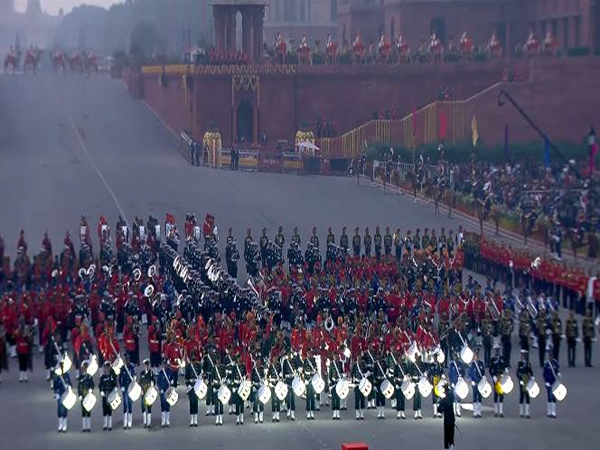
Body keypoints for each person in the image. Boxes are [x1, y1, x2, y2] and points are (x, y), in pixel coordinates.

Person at [53, 363, 72, 433]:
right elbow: (55, 387)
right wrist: (55, 394)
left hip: (65, 394)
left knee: (65, 410)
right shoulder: (58, 377)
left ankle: (64, 425)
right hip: (59, 395)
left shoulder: (67, 376)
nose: (62, 368)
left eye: (62, 367)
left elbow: (70, 384)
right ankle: (60, 425)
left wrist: (69, 387)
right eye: (61, 367)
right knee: (59, 409)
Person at [98, 361, 117, 431]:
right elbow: (100, 385)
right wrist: (101, 391)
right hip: (104, 394)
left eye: (108, 366)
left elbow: (114, 383)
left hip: (110, 394)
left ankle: (110, 424)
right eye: (106, 366)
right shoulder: (102, 377)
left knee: (110, 410)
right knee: (104, 409)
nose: (107, 368)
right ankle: (105, 424)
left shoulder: (112, 376)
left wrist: (115, 388)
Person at [185, 352, 202, 427]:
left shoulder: (198, 366)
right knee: (191, 402)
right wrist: (188, 385)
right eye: (192, 359)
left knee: (196, 402)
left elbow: (200, 375)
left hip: (197, 385)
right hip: (191, 386)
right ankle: (192, 420)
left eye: (194, 358)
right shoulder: (188, 367)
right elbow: (186, 378)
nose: (193, 360)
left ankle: (196, 420)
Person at [119, 353, 135, 429]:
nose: (127, 360)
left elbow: (134, 375)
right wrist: (121, 386)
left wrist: (134, 378)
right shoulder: (122, 368)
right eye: (126, 359)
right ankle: (125, 423)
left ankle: (130, 422)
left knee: (130, 404)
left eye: (128, 359)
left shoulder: (131, 367)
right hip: (125, 388)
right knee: (125, 405)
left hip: (130, 388)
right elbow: (119, 379)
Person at [78, 360, 95, 432]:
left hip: (88, 394)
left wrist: (91, 389)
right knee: (83, 411)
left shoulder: (90, 377)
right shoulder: (81, 377)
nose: (85, 368)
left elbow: (92, 384)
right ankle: (84, 427)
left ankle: (88, 426)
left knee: (88, 410)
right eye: (84, 366)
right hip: (83, 394)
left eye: (86, 366)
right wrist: (79, 395)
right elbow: (79, 386)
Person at [543, 351, 561, 418]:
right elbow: (544, 374)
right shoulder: (546, 364)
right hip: (548, 382)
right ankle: (549, 411)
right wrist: (546, 381)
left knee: (553, 396)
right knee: (549, 396)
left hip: (554, 382)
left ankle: (553, 412)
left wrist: (558, 374)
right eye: (550, 356)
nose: (551, 357)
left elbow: (557, 371)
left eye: (552, 356)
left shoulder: (555, 363)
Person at [490, 346, 506, 417]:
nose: (497, 351)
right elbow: (491, 369)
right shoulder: (493, 359)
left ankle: (501, 411)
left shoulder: (502, 358)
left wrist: (505, 371)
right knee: (496, 394)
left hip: (501, 377)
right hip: (495, 377)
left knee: (501, 393)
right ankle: (496, 411)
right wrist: (493, 375)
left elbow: (504, 366)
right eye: (496, 350)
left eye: (498, 350)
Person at [516, 350, 533, 418]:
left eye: (524, 355)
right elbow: (517, 372)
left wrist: (532, 378)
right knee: (522, 396)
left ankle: (527, 412)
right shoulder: (520, 363)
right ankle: (521, 412)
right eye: (522, 355)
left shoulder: (528, 363)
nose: (523, 356)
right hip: (521, 381)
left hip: (527, 380)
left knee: (527, 396)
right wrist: (520, 379)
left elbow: (530, 372)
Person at [469, 350, 485, 418]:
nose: (476, 356)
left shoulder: (481, 363)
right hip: (475, 383)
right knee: (475, 396)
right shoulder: (472, 364)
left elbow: (483, 372)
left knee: (480, 396)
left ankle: (479, 412)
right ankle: (475, 412)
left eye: (477, 355)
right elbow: (470, 373)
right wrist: (472, 380)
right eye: (475, 355)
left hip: (480, 382)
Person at [139, 359, 155, 428]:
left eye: (148, 364)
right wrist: (141, 390)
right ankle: (145, 422)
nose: (147, 366)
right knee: (143, 406)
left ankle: (149, 423)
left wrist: (153, 383)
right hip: (143, 390)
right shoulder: (142, 373)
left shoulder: (151, 372)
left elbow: (153, 380)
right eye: (146, 364)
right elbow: (140, 382)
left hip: (149, 391)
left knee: (149, 406)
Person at [157, 360, 173, 427]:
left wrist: (171, 386)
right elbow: (158, 382)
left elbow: (172, 379)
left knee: (168, 405)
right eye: (163, 364)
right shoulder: (160, 373)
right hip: (163, 391)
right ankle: (163, 421)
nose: (164, 365)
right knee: (163, 406)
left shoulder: (170, 372)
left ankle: (167, 421)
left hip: (168, 390)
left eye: (165, 364)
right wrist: (160, 389)